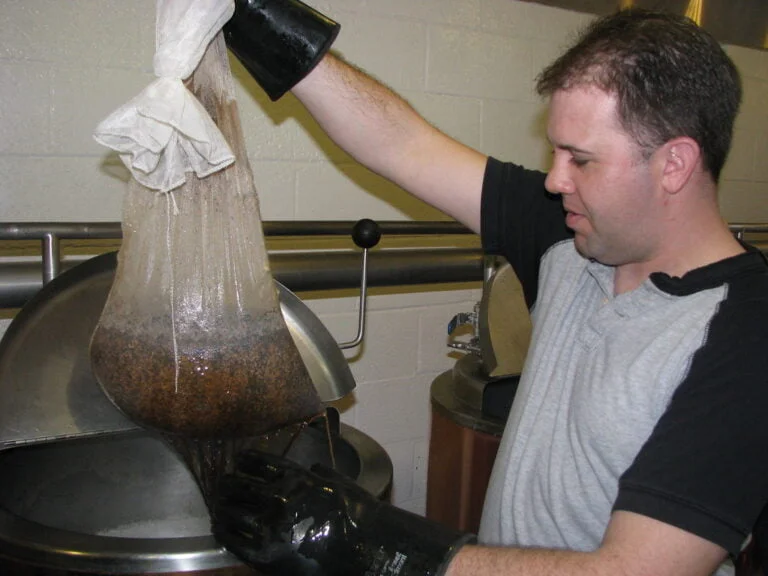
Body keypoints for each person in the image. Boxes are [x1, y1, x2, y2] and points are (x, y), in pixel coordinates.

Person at [214, 3, 768, 576]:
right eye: (556, 152)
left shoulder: (746, 337)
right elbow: (401, 144)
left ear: (674, 164)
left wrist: (369, 543)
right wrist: (251, 13)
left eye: (581, 160)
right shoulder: (572, 234)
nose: (555, 179)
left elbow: (635, 571)